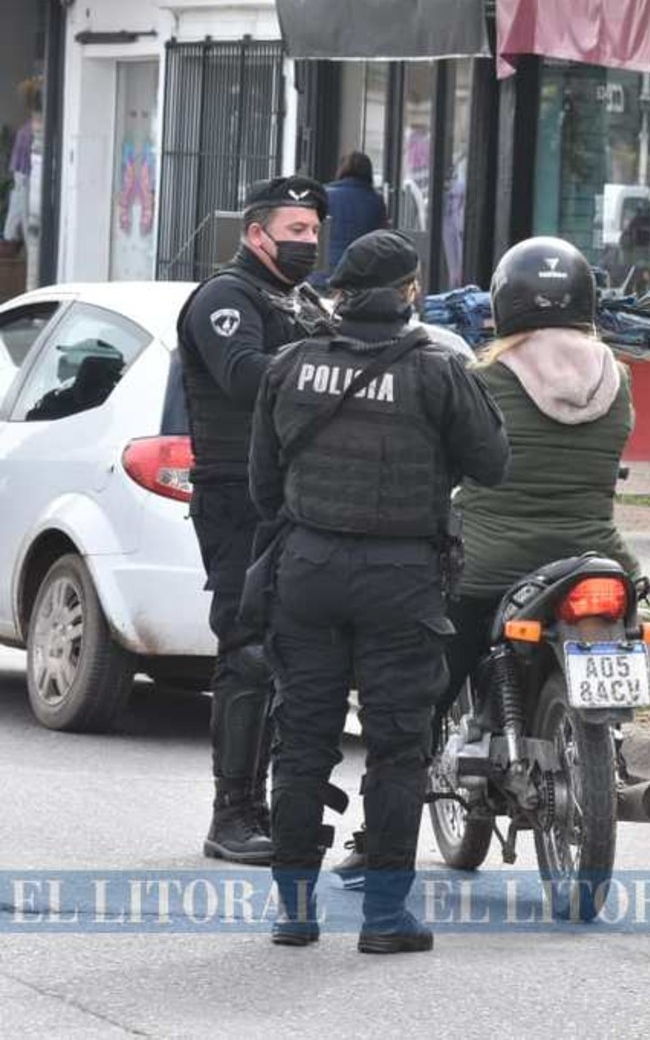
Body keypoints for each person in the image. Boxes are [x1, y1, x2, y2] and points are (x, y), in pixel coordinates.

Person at [251, 229, 509, 951]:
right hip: (400, 577)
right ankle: (385, 917)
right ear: (406, 293)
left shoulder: (290, 364)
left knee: (301, 741)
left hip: (305, 569)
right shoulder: (436, 370)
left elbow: (262, 485)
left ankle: (294, 910)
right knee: (397, 747)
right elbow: (492, 464)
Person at [177, 175, 332, 865]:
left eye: (315, 232)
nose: (309, 242)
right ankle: (231, 814)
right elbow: (243, 374)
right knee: (247, 651)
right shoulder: (225, 298)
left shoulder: (301, 301)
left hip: (298, 493)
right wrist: (330, 368)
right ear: (255, 233)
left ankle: (275, 804)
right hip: (237, 496)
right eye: (295, 231)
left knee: (291, 651)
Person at [431, 235, 640, 742]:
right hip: (596, 559)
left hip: (489, 565)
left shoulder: (482, 378)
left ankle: (416, 757)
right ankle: (615, 737)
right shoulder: (617, 379)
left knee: (428, 680)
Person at [323, 152, 388, 275]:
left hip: (326, 266)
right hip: (361, 268)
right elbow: (381, 235)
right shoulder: (376, 200)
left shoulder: (325, 195)